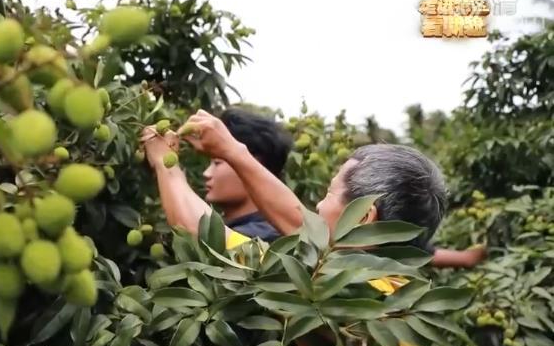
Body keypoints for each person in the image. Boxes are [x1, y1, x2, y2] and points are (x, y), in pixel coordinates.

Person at [145, 109, 484, 268]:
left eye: (329, 194)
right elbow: (297, 220)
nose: (317, 207)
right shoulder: (383, 273)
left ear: (363, 217)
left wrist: (164, 164)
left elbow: (201, 231)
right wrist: (233, 151)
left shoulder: (340, 290)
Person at [140, 108, 293, 242]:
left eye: (217, 163)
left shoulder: (268, 236)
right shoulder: (241, 226)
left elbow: (199, 235)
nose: (206, 173)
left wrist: (164, 162)